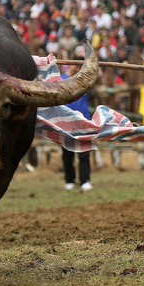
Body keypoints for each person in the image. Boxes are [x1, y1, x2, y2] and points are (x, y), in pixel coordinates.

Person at [62, 48, 93, 191]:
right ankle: (70, 180)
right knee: (67, 153)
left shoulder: (85, 79)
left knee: (84, 152)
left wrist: (86, 56)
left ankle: (85, 180)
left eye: (81, 66)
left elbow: (95, 71)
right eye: (76, 65)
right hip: (66, 121)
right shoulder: (61, 79)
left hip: (83, 120)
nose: (78, 68)